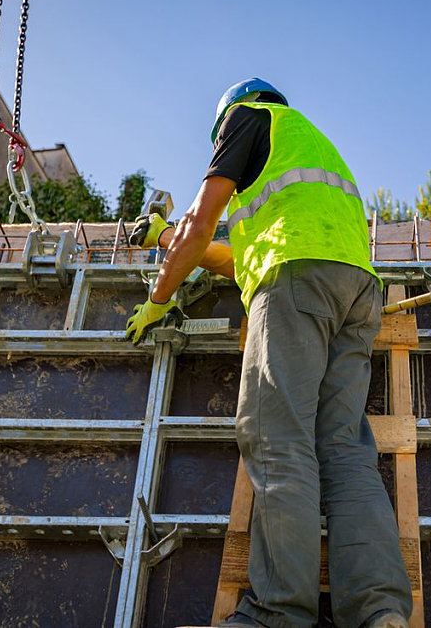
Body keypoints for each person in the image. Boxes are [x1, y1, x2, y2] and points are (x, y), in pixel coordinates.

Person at [125, 78, 411, 628]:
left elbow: (201, 222)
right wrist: (165, 240)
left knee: (278, 440)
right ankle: (379, 612)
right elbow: (240, 259)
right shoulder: (308, 143)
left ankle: (277, 613)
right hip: (355, 290)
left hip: (294, 282)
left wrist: (159, 298)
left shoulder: (245, 118)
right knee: (345, 451)